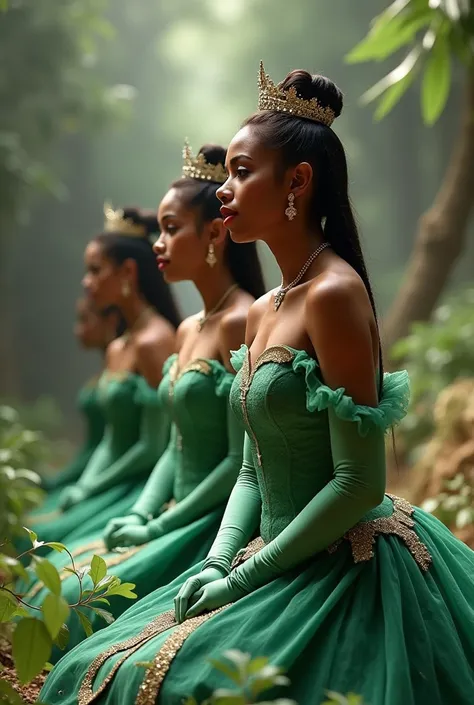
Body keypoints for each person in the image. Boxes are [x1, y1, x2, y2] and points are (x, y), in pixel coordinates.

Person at [40, 65, 474, 705]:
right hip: (260, 551)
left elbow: (360, 483)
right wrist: (218, 561)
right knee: (96, 666)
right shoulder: (265, 307)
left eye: (243, 172)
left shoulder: (334, 294)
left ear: (297, 181)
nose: (225, 191)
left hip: (337, 561)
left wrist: (247, 579)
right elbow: (248, 468)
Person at [24, 144, 266, 658]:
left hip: (214, 518)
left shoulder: (245, 320)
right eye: (158, 230)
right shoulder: (186, 329)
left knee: (68, 602)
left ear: (214, 235)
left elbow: (240, 461)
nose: (159, 245)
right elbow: (175, 447)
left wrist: (157, 524)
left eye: (171, 229)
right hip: (170, 506)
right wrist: (142, 510)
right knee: (50, 587)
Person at [28, 207, 180, 547]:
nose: (86, 282)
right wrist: (83, 485)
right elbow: (111, 439)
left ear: (128, 272)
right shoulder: (118, 348)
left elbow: (156, 445)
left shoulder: (156, 340)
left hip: (140, 486)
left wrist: (92, 487)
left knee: (44, 545)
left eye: (95, 270)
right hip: (108, 482)